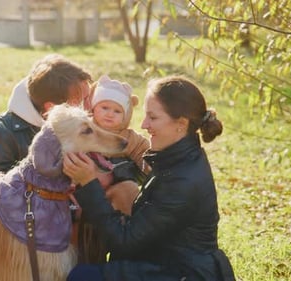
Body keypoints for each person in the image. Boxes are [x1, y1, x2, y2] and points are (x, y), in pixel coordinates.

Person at [63, 75, 235, 281]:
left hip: (183, 273)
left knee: (82, 277)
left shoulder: (183, 181)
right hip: (165, 261)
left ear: (181, 124)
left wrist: (89, 183)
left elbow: (124, 241)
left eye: (152, 118)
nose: (144, 125)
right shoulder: (176, 159)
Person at [0, 54, 92, 185]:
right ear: (52, 108)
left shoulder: (90, 122)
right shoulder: (0, 134)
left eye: (90, 96)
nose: (90, 106)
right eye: (81, 102)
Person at [89, 74, 150, 215]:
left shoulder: (129, 137)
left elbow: (143, 151)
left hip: (116, 186)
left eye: (117, 111)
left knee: (130, 189)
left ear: (126, 115)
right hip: (85, 184)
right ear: (94, 107)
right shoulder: (85, 128)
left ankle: (125, 222)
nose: (110, 114)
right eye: (104, 107)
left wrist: (148, 166)